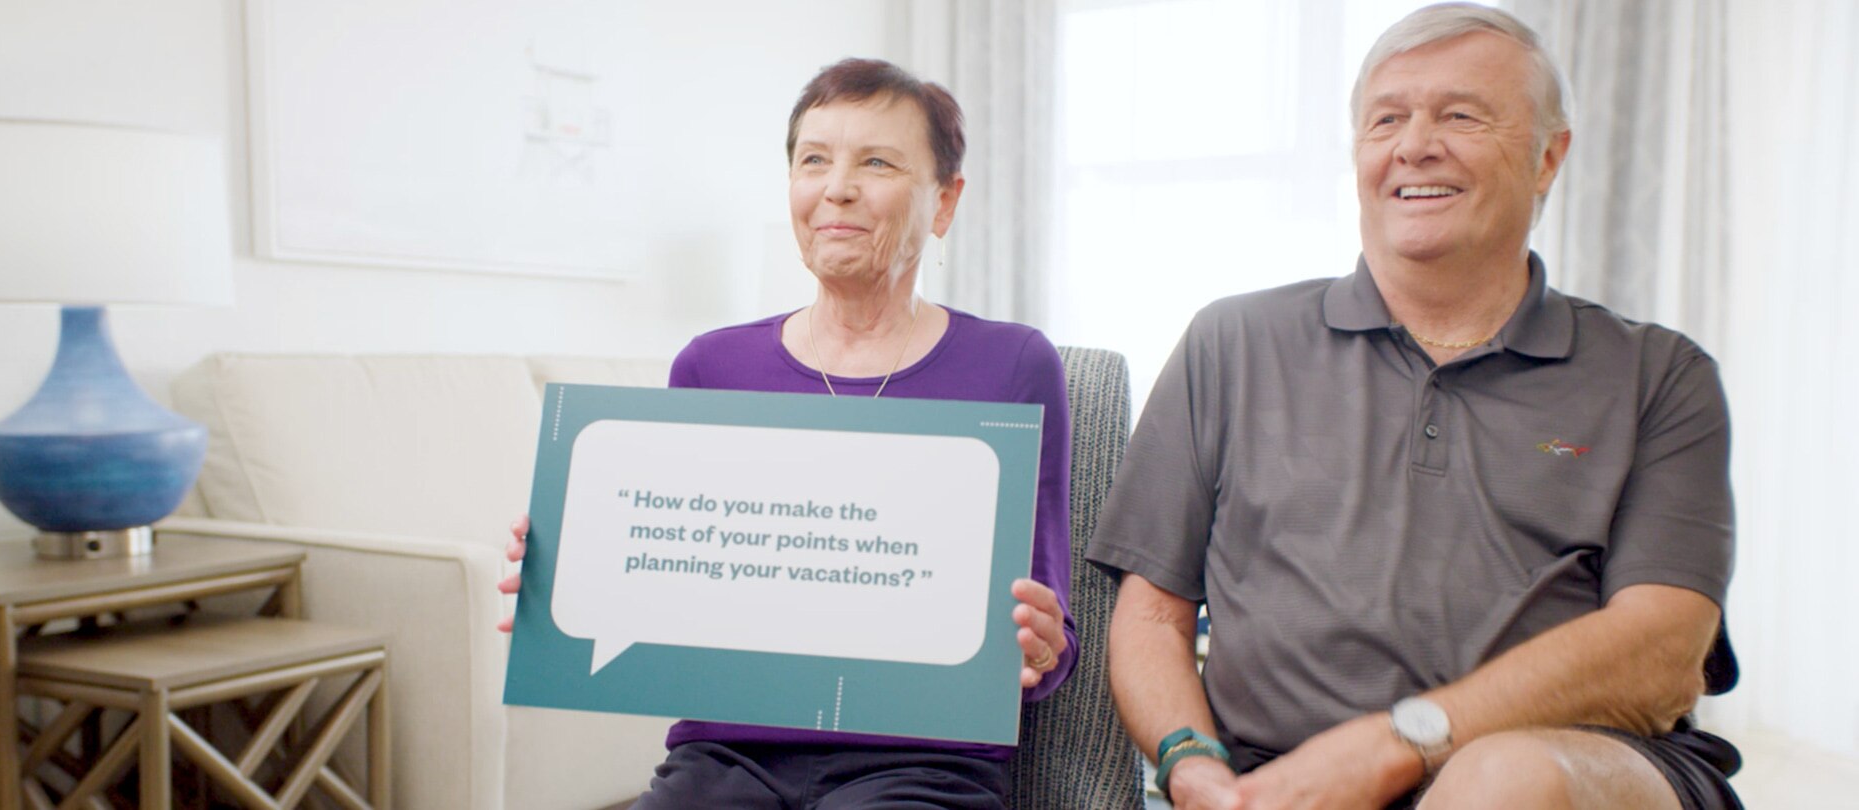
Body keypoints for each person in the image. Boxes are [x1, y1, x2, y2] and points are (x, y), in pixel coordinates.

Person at [1086, 4, 1741, 809]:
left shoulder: (1659, 375)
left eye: (1461, 115)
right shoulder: (1232, 342)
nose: (1414, 144)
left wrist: (1398, 743)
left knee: (1502, 778)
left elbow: (1661, 653)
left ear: (1548, 158)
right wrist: (1191, 765)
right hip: (1280, 781)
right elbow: (1151, 616)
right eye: (1386, 118)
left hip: (1571, 765)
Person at [498, 58, 1076, 808]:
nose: (836, 187)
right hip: (726, 758)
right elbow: (681, 593)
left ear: (944, 201)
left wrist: (1041, 644)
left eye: (876, 161)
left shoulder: (1014, 365)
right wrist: (574, 580)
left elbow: (1046, 619)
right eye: (813, 160)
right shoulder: (712, 364)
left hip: (923, 766)